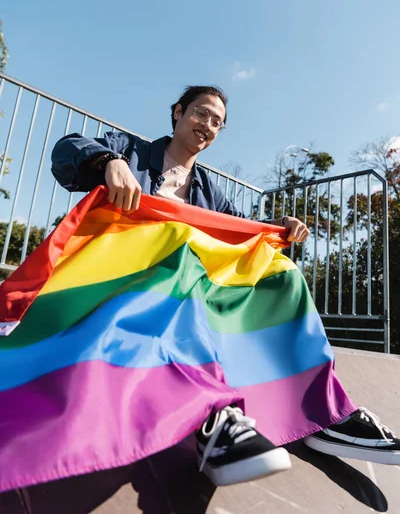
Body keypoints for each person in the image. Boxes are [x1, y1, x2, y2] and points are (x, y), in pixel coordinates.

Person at [51, 85, 400, 486]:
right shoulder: (127, 149)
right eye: (201, 114)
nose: (208, 125)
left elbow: (244, 233)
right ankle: (214, 421)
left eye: (217, 122)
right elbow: (67, 148)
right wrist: (107, 161)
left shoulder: (209, 191)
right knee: (182, 258)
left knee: (282, 275)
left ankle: (324, 409)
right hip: (117, 275)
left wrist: (279, 229)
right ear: (178, 113)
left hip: (184, 282)